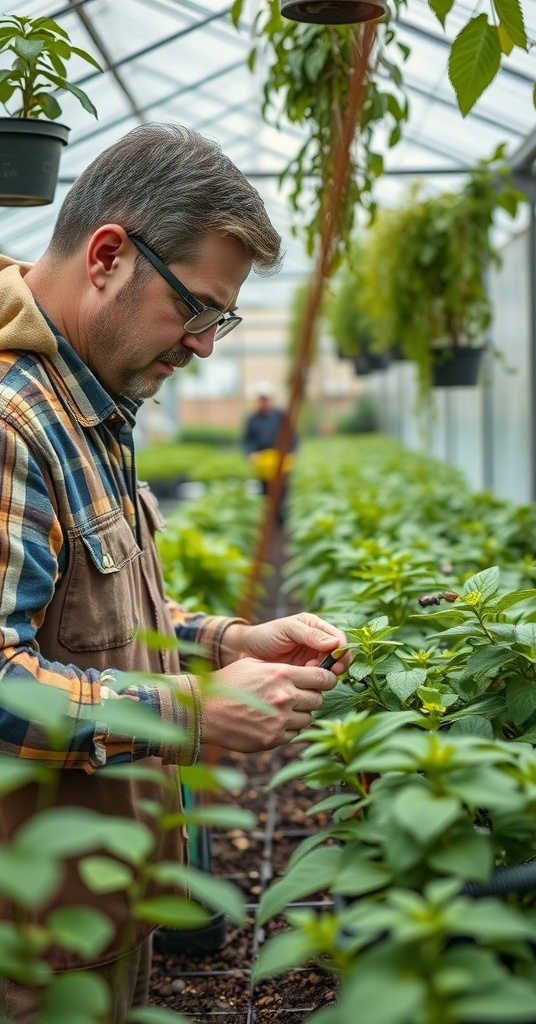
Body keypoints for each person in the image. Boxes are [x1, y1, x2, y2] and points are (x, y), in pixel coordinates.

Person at [0, 123, 350, 1023]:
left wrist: (228, 639)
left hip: (96, 908)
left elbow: (90, 610)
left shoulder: (87, 401)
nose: (203, 345)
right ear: (109, 254)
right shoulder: (12, 422)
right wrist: (194, 713)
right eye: (196, 308)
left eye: (219, 320)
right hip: (29, 947)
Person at [242, 380, 296, 524]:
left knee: (283, 493)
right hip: (263, 463)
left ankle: (281, 522)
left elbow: (292, 437)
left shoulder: (281, 416)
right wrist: (251, 453)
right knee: (265, 494)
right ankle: (269, 522)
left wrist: (291, 452)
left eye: (266, 398)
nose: (263, 402)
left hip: (281, 460)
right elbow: (248, 441)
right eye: (261, 399)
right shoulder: (253, 419)